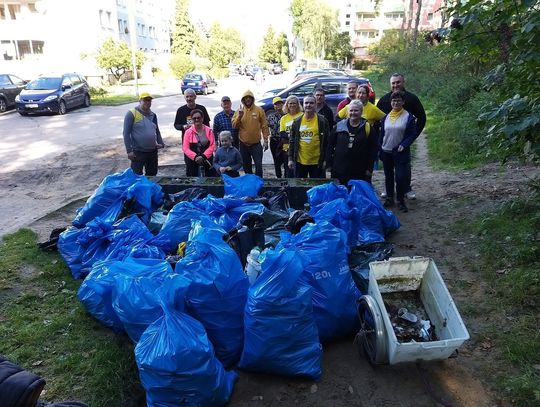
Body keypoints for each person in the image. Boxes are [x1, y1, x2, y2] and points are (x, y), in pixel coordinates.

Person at [377, 73, 426, 200]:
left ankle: (406, 189)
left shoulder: (412, 99)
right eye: (393, 83)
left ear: (403, 82)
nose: (396, 85)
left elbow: (422, 117)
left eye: (398, 82)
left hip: (404, 140)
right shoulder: (384, 100)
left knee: (404, 166)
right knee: (388, 168)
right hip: (388, 140)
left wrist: (414, 135)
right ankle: (388, 191)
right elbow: (377, 121)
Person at [379, 91, 418, 212]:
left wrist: (404, 144)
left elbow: (412, 134)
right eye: (394, 101)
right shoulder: (385, 117)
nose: (396, 103)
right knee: (388, 176)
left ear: (403, 102)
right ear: (391, 102)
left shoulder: (408, 117)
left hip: (400, 152)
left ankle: (400, 200)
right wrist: (379, 149)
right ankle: (390, 198)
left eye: (398, 100)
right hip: (386, 151)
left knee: (400, 177)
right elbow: (382, 134)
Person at [326, 100, 377, 186]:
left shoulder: (367, 128)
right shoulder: (339, 126)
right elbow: (330, 145)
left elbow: (373, 149)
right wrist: (328, 164)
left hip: (359, 170)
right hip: (339, 169)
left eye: (356, 110)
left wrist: (369, 168)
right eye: (351, 110)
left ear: (361, 112)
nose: (353, 113)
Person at [122, 92, 164, 176]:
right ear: (140, 101)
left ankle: (149, 189)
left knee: (152, 175)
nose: (147, 102)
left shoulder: (153, 115)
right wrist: (129, 151)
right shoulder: (131, 113)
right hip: (138, 152)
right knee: (136, 176)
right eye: (145, 100)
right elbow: (126, 133)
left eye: (149, 100)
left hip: (152, 151)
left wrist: (160, 142)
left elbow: (157, 130)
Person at [288, 95, 330, 178]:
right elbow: (292, 141)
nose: (308, 105)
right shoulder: (297, 122)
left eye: (311, 103)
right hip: (300, 161)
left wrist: (326, 160)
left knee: (317, 188)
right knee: (299, 186)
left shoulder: (322, 121)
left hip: (317, 162)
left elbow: (327, 142)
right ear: (303, 105)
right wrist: (290, 159)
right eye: (306, 103)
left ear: (315, 105)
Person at [232, 90, 269, 177]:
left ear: (252, 99)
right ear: (243, 100)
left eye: (250, 97)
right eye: (246, 98)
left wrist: (266, 140)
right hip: (243, 144)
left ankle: (259, 181)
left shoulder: (259, 110)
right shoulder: (238, 111)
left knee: (258, 165)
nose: (248, 99)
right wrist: (239, 116)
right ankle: (249, 181)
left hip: (256, 144)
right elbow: (234, 126)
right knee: (246, 165)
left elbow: (264, 126)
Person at [182, 109, 216, 177]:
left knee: (209, 178)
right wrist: (195, 157)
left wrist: (203, 156)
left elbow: (212, 145)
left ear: (202, 118)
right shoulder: (188, 132)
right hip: (192, 160)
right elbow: (185, 148)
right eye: (194, 118)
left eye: (198, 118)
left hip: (206, 159)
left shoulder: (209, 131)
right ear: (192, 119)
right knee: (192, 178)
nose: (197, 120)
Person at [278, 95, 303, 178]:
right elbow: (282, 134)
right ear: (287, 105)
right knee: (288, 170)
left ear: (298, 104)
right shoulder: (284, 118)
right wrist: (292, 135)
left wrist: (290, 134)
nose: (292, 105)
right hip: (287, 148)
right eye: (290, 103)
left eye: (294, 103)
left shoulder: (302, 115)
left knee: (298, 170)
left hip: (300, 147)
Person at [267, 97, 286, 177]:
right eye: (276, 104)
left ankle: (286, 177)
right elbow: (265, 126)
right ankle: (278, 177)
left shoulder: (286, 115)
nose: (278, 105)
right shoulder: (270, 117)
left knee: (285, 160)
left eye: (279, 103)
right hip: (274, 140)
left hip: (284, 141)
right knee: (276, 161)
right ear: (274, 106)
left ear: (282, 104)